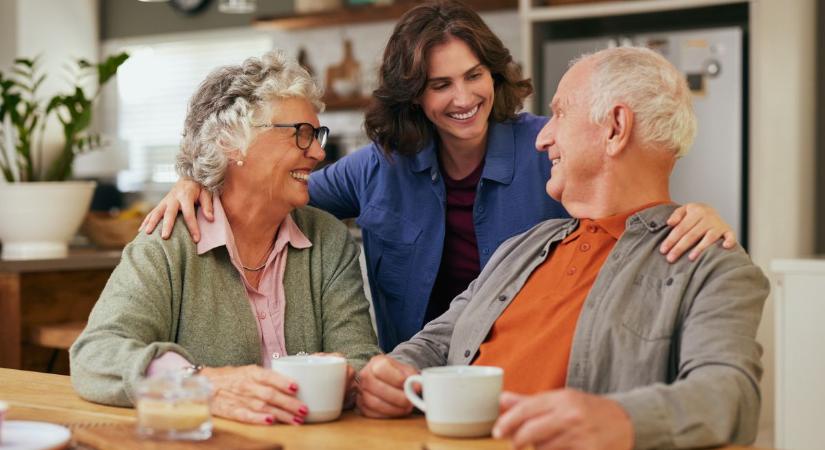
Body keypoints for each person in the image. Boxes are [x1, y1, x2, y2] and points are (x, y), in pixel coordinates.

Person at [140, 0, 737, 352]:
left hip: (530, 373)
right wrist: (201, 183)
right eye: (440, 84)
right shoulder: (381, 164)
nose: (463, 98)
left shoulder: (547, 146)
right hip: (417, 377)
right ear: (414, 96)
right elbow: (275, 193)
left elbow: (632, 203)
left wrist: (693, 213)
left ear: (494, 75)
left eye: (474, 76)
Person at [356, 47, 768, 450]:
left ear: (615, 128)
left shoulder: (709, 265)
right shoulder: (522, 246)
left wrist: (622, 420)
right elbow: (435, 343)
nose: (542, 138)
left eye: (560, 113)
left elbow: (729, 394)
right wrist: (393, 372)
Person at [70, 51, 380, 426]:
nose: (317, 152)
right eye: (301, 133)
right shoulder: (168, 242)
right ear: (231, 142)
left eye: (317, 135)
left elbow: (360, 359)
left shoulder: (328, 240)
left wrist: (345, 377)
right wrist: (200, 384)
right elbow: (95, 355)